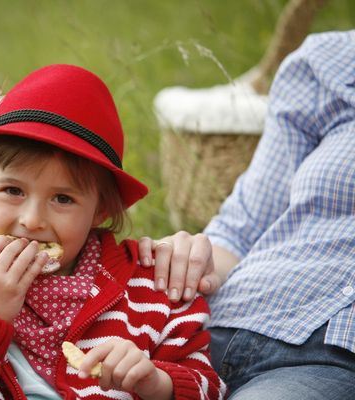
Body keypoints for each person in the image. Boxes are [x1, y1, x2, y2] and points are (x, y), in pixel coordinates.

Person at [0, 64, 224, 399]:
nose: (32, 219)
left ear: (100, 209)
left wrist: (156, 383)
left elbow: (211, 388)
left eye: (62, 198)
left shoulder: (154, 292)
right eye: (12, 191)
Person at [136, 30, 355, 399]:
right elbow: (243, 226)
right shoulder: (335, 63)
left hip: (325, 363)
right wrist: (192, 260)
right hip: (214, 323)